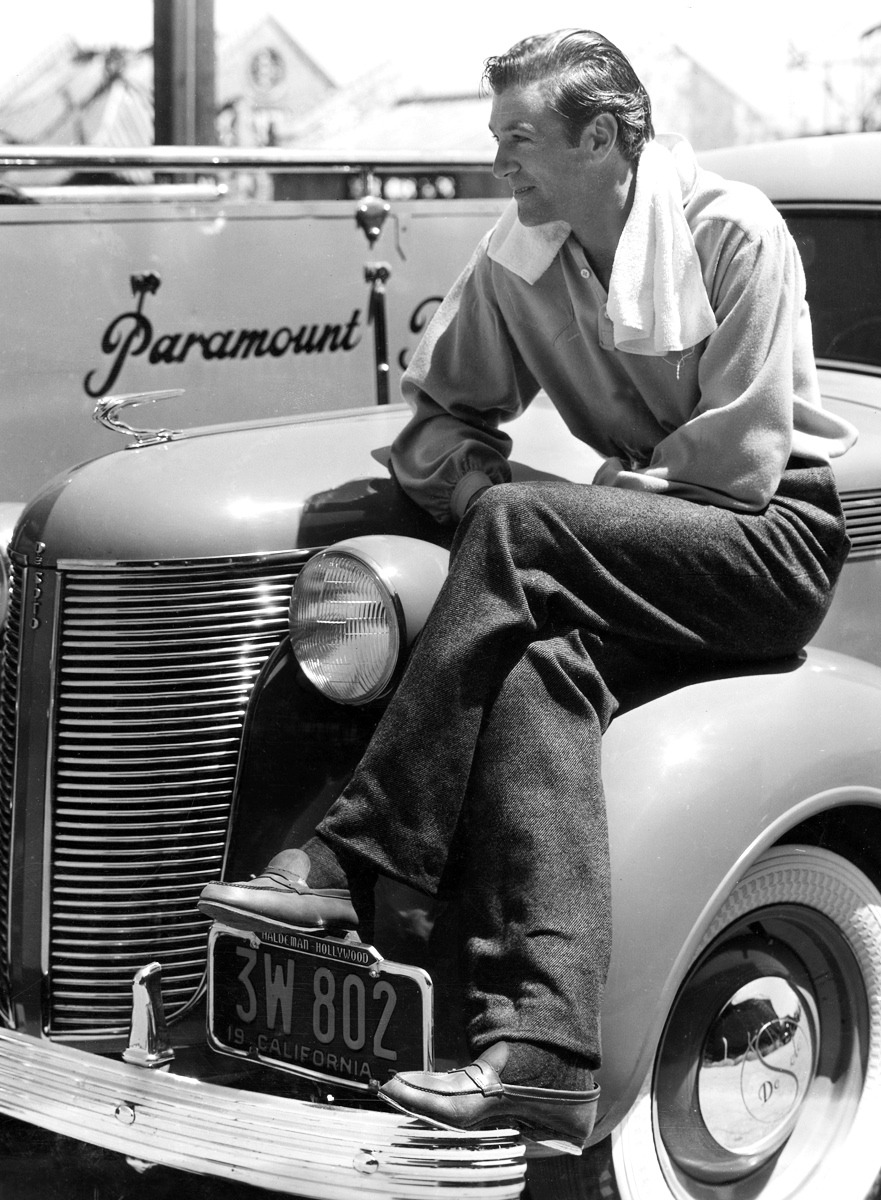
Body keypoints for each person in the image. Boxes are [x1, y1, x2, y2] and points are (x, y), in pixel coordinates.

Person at [199, 28, 857, 1152]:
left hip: (765, 545)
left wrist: (542, 517)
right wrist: (494, 498)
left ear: (601, 136)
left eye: (521, 137)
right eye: (495, 134)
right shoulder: (520, 257)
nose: (500, 159)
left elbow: (738, 470)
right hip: (635, 547)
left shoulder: (729, 231)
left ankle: (347, 861)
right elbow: (436, 422)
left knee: (515, 522)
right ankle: (545, 1056)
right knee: (535, 676)